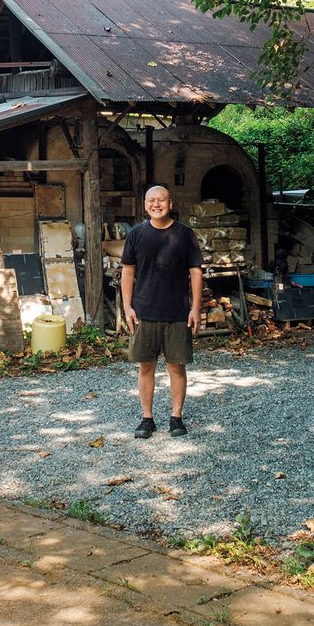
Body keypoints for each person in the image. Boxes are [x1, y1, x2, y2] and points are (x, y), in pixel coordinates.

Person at [121, 184, 203, 438]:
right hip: (144, 311)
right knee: (146, 367)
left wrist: (196, 308)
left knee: (176, 367)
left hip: (178, 312)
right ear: (145, 205)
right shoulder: (135, 235)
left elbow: (196, 271)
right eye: (151, 201)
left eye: (162, 200)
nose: (156, 205)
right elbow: (127, 271)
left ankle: (176, 417)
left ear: (171, 204)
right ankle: (147, 418)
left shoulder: (185, 234)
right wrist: (127, 306)